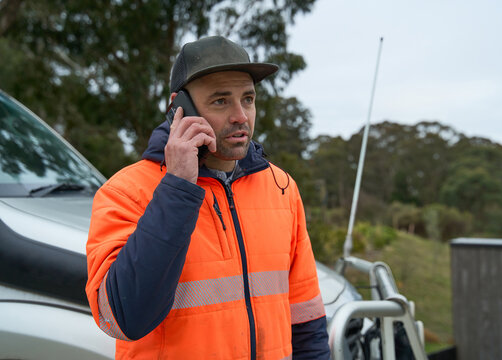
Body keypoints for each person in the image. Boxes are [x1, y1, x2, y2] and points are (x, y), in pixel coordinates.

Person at [86, 35, 330, 360]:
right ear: (179, 106)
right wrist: (177, 188)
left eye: (248, 98)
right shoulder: (125, 191)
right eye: (220, 101)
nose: (241, 115)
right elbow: (124, 318)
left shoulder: (282, 187)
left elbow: (306, 319)